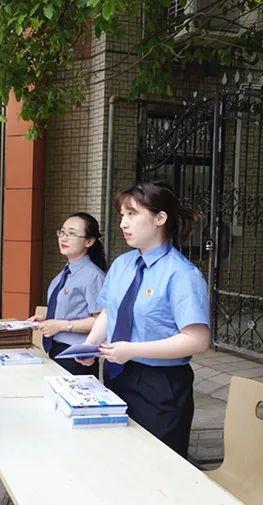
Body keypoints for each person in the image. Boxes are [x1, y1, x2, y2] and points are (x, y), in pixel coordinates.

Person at [78, 182, 210, 458]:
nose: (124, 223)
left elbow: (197, 341)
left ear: (160, 218)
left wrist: (132, 350)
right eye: (122, 215)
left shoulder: (182, 274)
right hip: (116, 374)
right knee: (120, 458)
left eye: (132, 214)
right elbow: (109, 311)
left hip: (160, 386)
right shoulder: (123, 264)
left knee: (156, 464)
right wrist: (90, 345)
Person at [28, 212, 106, 377]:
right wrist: (47, 319)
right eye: (62, 232)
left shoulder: (93, 276)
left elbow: (102, 321)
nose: (64, 238)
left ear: (89, 241)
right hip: (55, 350)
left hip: (76, 356)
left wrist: (61, 325)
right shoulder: (65, 273)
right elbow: (73, 311)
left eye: (72, 234)